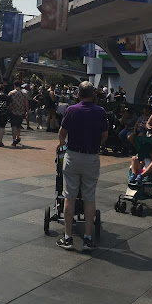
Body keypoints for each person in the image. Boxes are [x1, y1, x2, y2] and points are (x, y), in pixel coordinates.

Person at [56, 81, 108, 252]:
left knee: (69, 196)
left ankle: (68, 237)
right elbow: (104, 135)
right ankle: (87, 237)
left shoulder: (72, 110)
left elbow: (62, 133)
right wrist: (95, 145)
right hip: (91, 157)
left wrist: (62, 143)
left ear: (78, 94)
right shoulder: (100, 112)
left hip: (73, 155)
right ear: (93, 95)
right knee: (89, 196)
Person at [8, 80, 29, 147]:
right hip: (21, 111)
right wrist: (27, 111)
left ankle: (14, 139)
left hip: (13, 111)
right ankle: (18, 137)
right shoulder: (24, 93)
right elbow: (26, 103)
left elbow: (10, 103)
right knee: (18, 125)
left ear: (14, 85)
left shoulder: (11, 93)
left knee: (13, 125)